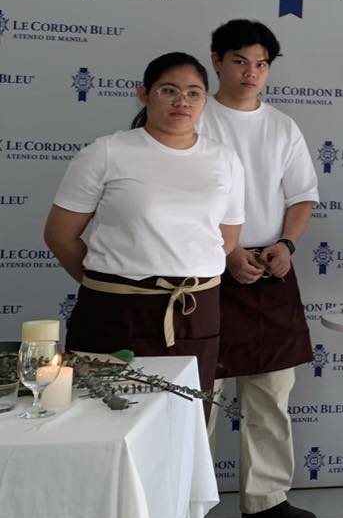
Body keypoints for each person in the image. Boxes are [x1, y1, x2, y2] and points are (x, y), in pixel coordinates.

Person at [44, 52, 243, 399]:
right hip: (116, 311)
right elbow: (60, 235)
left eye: (193, 93)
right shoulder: (107, 152)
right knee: (105, 413)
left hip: (194, 311)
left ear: (204, 101)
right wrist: (112, 283)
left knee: (184, 417)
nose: (182, 101)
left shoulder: (224, 159)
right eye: (169, 90)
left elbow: (226, 239)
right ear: (144, 94)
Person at [198, 19, 321, 518]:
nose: (251, 73)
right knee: (199, 396)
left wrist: (286, 245)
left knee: (271, 390)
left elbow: (302, 196)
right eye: (240, 61)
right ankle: (185, 505)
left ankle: (266, 498)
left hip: (271, 267)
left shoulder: (282, 126)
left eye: (261, 64)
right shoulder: (194, 117)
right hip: (204, 270)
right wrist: (228, 251)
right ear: (217, 62)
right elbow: (183, 197)